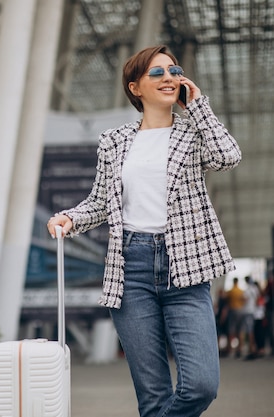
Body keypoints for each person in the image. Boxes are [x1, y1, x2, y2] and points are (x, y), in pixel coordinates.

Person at [46, 45, 241, 417]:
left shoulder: (192, 134)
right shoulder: (114, 141)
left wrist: (199, 107)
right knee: (152, 397)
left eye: (174, 70)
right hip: (130, 269)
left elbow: (227, 157)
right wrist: (69, 218)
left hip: (184, 268)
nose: (169, 77)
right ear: (135, 87)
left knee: (201, 385)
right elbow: (101, 202)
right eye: (157, 73)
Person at [225, 277, 245, 357]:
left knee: (231, 330)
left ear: (233, 282)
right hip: (240, 311)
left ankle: (229, 349)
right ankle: (239, 349)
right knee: (240, 330)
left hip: (232, 311)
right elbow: (244, 300)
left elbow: (226, 300)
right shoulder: (241, 291)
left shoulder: (231, 291)